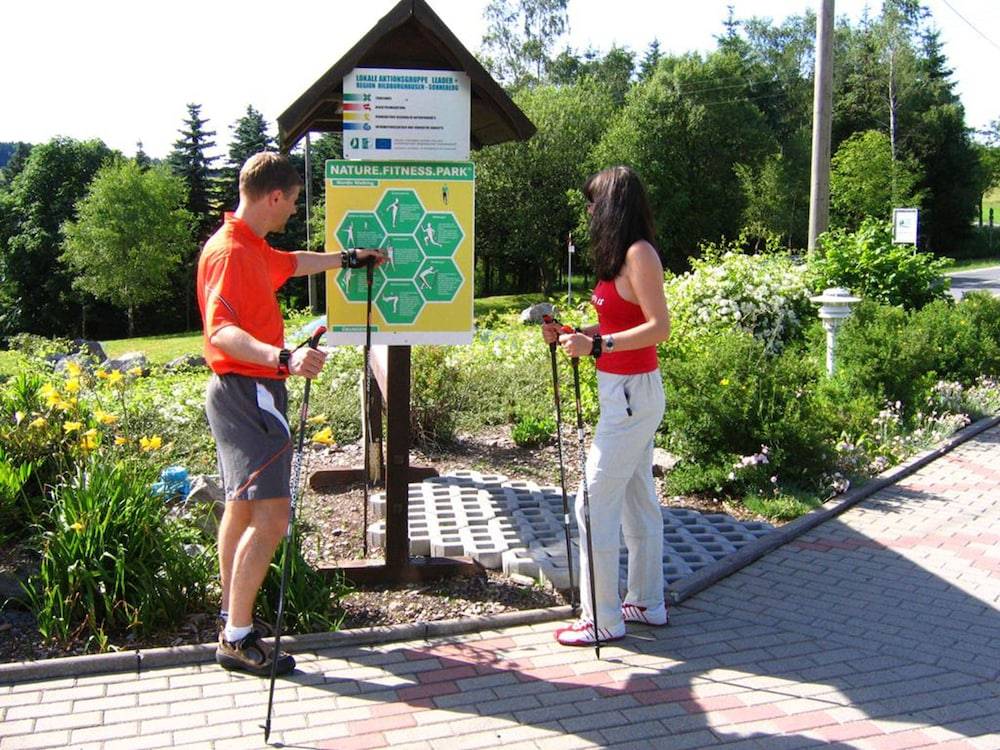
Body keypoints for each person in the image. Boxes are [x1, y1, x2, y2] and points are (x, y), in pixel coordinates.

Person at [197, 151, 382, 675]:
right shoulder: (232, 253)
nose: (293, 210)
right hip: (251, 391)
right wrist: (284, 357)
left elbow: (295, 261)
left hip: (240, 390)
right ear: (273, 196)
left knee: (240, 508)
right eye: (293, 201)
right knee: (272, 516)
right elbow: (222, 331)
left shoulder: (247, 245)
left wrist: (346, 258)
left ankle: (232, 617)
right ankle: (237, 638)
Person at [542, 165, 671, 646]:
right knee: (638, 503)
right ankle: (646, 602)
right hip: (623, 394)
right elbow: (620, 321)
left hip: (633, 394)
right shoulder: (619, 257)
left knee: (592, 503)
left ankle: (603, 618)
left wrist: (599, 346)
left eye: (595, 203)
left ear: (614, 205)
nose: (590, 211)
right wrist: (580, 335)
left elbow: (659, 327)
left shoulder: (640, 254)